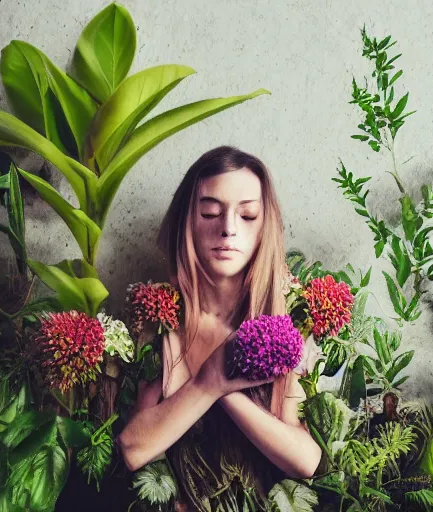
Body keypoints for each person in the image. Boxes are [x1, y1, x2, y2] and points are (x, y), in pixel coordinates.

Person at [118, 146, 322, 511]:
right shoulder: (159, 327)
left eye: (247, 215)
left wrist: (224, 389)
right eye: (210, 212)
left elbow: (305, 460)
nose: (228, 228)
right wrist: (207, 382)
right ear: (188, 221)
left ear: (264, 228)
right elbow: (134, 448)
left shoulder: (281, 330)